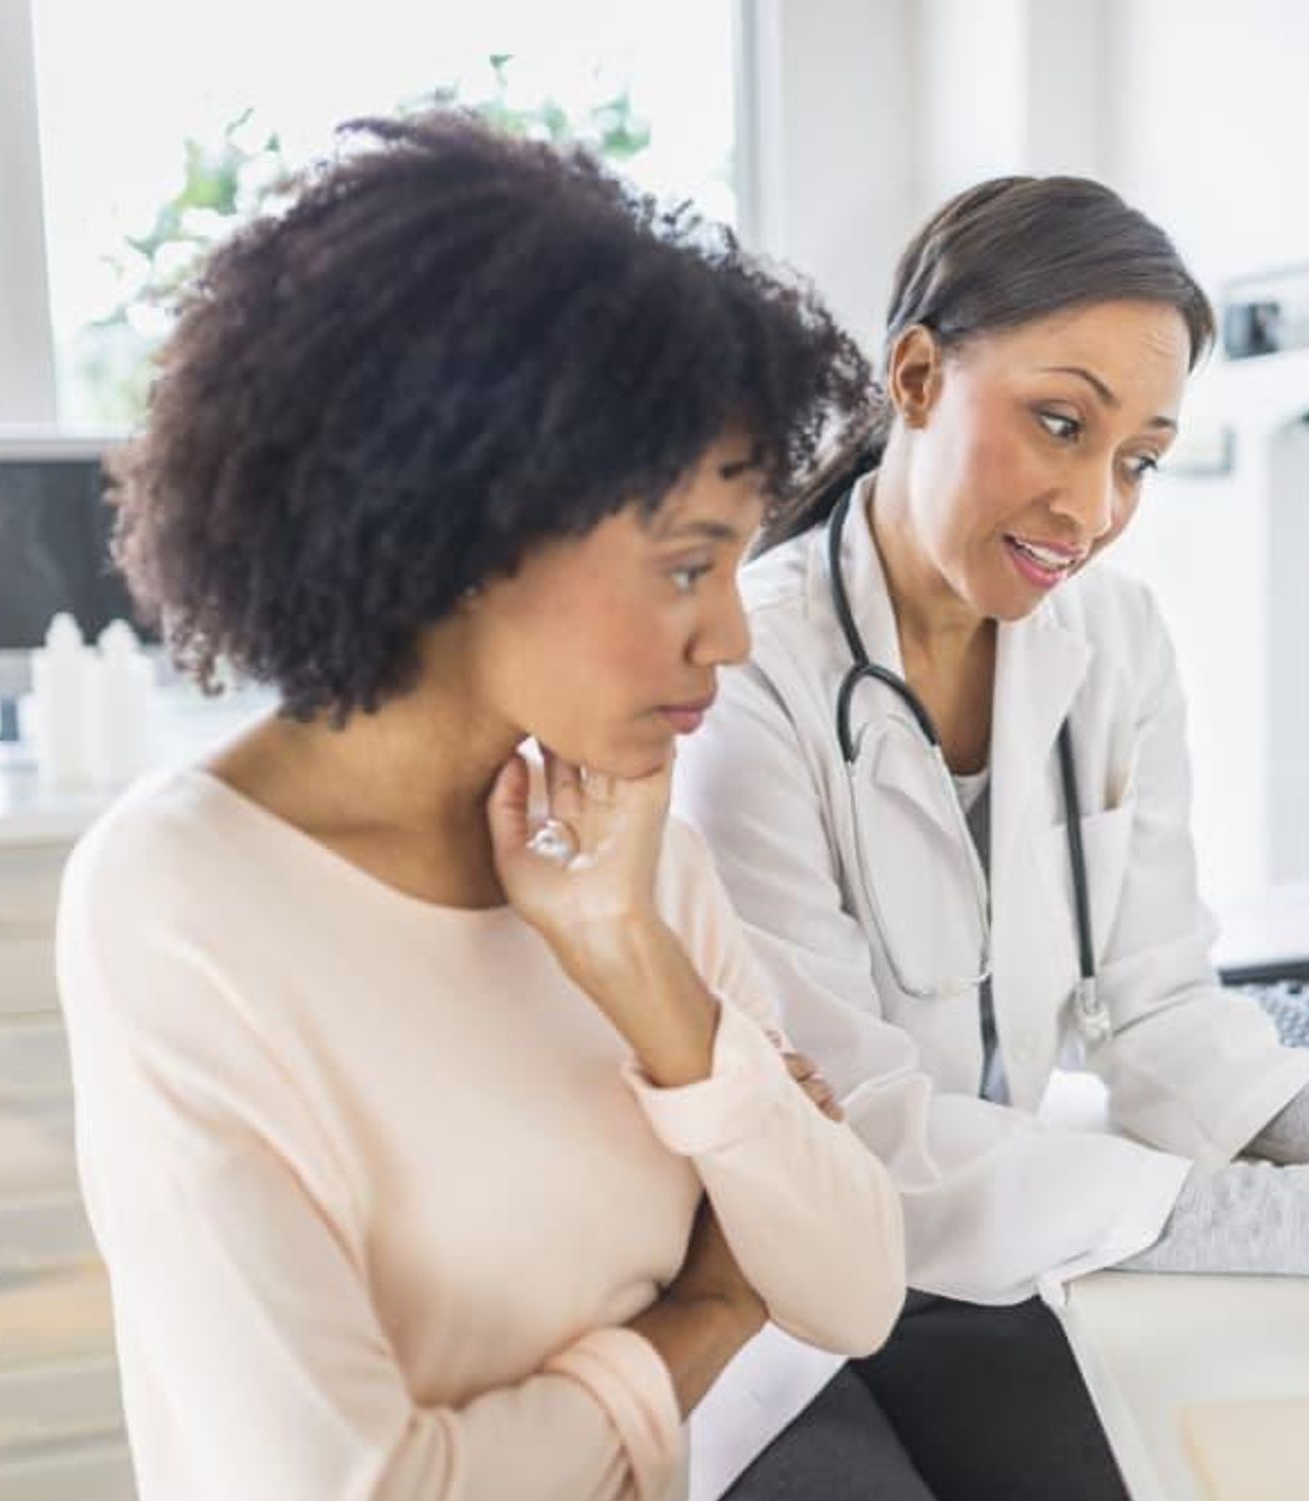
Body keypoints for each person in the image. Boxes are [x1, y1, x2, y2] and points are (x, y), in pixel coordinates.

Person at [672, 176, 1309, 1500]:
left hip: (988, 1260)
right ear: (918, 375)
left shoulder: (1117, 642)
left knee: (1222, 1458)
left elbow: (1162, 1012)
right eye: (1061, 424)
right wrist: (1303, 1213)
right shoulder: (745, 680)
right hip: (771, 1306)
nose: (1094, 509)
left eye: (1139, 459)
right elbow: (857, 1145)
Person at [55, 114, 905, 1501]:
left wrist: (633, 961)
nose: (733, 641)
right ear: (458, 528)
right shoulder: (176, 901)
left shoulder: (622, 850)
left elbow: (857, 1282)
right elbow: (363, 1486)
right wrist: (693, 1322)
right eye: (687, 567)